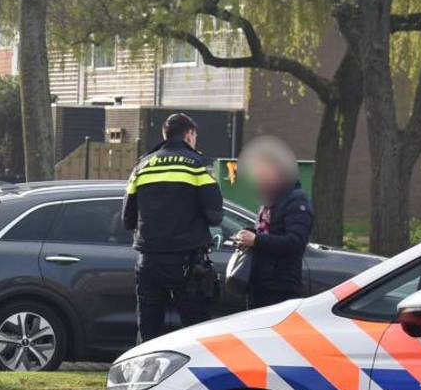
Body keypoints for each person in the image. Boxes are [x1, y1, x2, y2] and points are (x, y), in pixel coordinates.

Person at [122, 113, 224, 342]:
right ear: (189, 134)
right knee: (195, 330)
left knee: (148, 329)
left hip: (148, 260)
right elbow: (215, 215)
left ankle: (146, 375)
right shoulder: (197, 165)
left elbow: (128, 219)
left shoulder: (142, 166)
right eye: (195, 135)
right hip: (187, 261)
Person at [234, 137, 312, 308]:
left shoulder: (296, 201)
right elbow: (267, 232)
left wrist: (256, 240)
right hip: (260, 283)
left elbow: (296, 242)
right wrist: (249, 235)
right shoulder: (269, 199)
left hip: (280, 287)